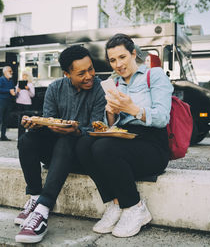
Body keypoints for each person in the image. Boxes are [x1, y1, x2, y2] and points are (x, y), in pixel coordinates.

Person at [76, 34, 173, 238]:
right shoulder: (114, 82)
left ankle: (135, 207)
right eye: (113, 60)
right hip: (125, 140)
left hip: (153, 145)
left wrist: (134, 109)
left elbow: (163, 117)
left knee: (104, 148)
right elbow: (112, 126)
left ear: (133, 54)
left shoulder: (154, 75)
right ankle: (116, 203)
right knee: (84, 144)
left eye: (122, 57)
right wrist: (111, 112)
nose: (118, 64)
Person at [14, 45, 106, 244]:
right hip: (55, 156)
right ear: (67, 74)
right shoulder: (55, 88)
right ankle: (35, 197)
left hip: (82, 156)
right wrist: (37, 124)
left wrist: (77, 130)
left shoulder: (100, 88)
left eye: (91, 69)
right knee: (27, 139)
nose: (89, 75)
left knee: (67, 138)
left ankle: (43, 210)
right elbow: (50, 121)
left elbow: (99, 127)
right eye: (81, 73)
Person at [0, 66, 15, 141]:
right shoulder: (1, 79)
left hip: (9, 101)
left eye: (11, 71)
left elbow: (12, 90)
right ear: (5, 72)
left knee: (6, 120)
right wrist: (9, 91)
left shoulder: (11, 81)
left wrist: (15, 92)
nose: (11, 72)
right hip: (1, 101)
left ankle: (3, 136)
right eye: (10, 71)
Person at [15, 71, 35, 139]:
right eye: (23, 75)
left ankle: (28, 137)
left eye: (26, 75)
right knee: (20, 121)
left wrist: (28, 89)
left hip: (27, 104)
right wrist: (17, 91)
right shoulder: (18, 83)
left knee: (28, 121)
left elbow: (32, 95)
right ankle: (20, 137)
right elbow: (16, 95)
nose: (24, 77)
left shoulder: (30, 84)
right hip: (19, 103)